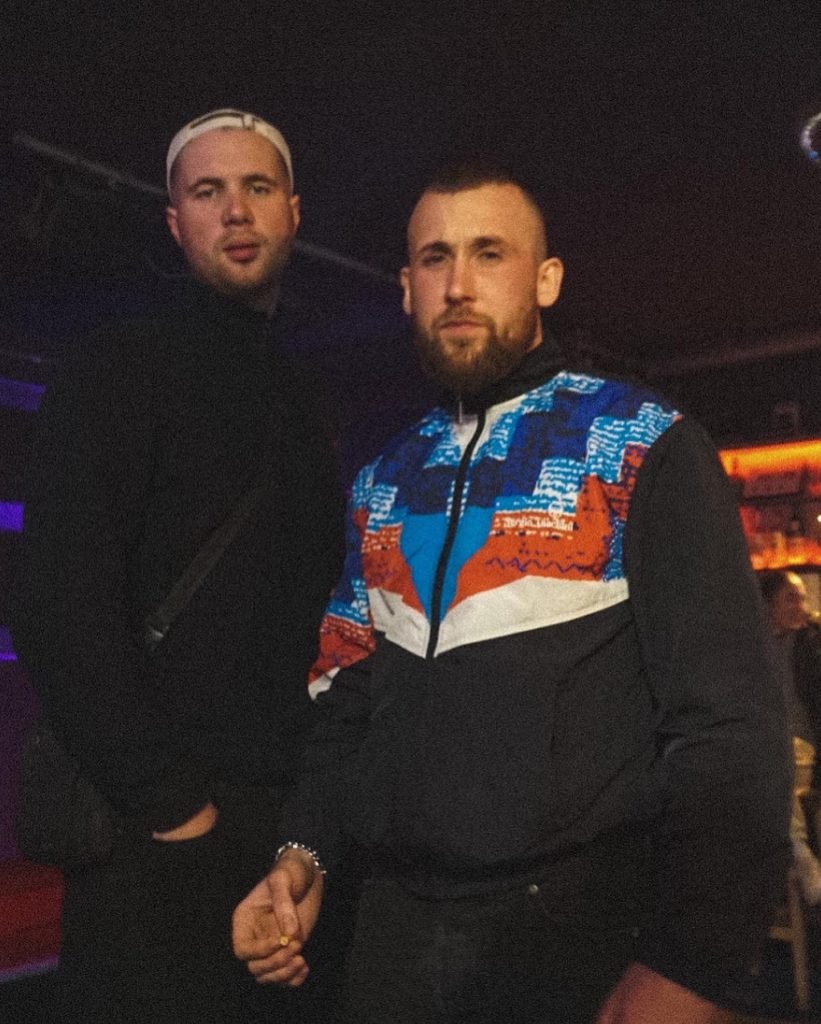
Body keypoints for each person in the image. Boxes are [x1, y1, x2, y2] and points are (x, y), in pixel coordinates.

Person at [232, 163, 791, 1024]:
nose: (458, 284)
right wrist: (303, 856)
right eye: (435, 258)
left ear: (545, 279)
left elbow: (729, 725)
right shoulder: (384, 479)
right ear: (406, 289)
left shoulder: (640, 444)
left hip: (571, 934)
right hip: (390, 935)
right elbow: (345, 704)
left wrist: (692, 963)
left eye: (488, 253)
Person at [11, 109, 349, 1024]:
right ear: (174, 221)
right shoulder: (119, 365)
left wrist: (306, 832)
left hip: (280, 831)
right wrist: (174, 810)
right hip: (153, 831)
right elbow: (55, 602)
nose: (235, 210)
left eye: (256, 187)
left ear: (292, 212)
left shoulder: (303, 397)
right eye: (208, 191)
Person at [758, 569, 821, 902]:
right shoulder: (756, 649)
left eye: (802, 598)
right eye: (790, 599)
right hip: (772, 745)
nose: (801, 607)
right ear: (768, 604)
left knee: (776, 765)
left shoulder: (809, 643)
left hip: (804, 748)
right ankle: (798, 851)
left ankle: (799, 851)